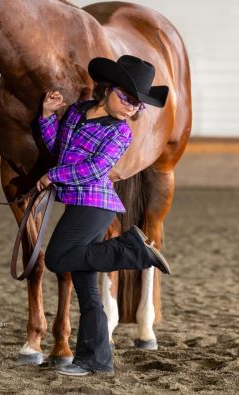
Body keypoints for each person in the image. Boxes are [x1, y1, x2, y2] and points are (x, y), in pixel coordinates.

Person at [36, 54, 170, 377]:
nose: (130, 108)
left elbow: (95, 169)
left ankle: (131, 250)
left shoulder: (120, 132)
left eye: (137, 105)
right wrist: (46, 116)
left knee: (56, 258)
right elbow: (59, 149)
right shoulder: (77, 112)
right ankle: (96, 360)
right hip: (78, 201)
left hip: (95, 204)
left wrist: (54, 176)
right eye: (126, 98)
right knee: (86, 286)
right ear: (108, 88)